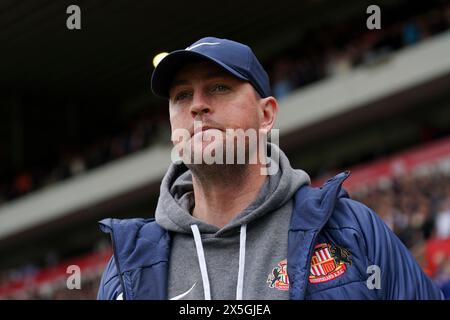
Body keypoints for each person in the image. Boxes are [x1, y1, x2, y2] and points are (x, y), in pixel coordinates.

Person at [97, 37, 443, 300]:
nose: (198, 105)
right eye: (182, 96)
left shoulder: (350, 229)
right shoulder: (129, 266)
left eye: (219, 87)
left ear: (266, 115)